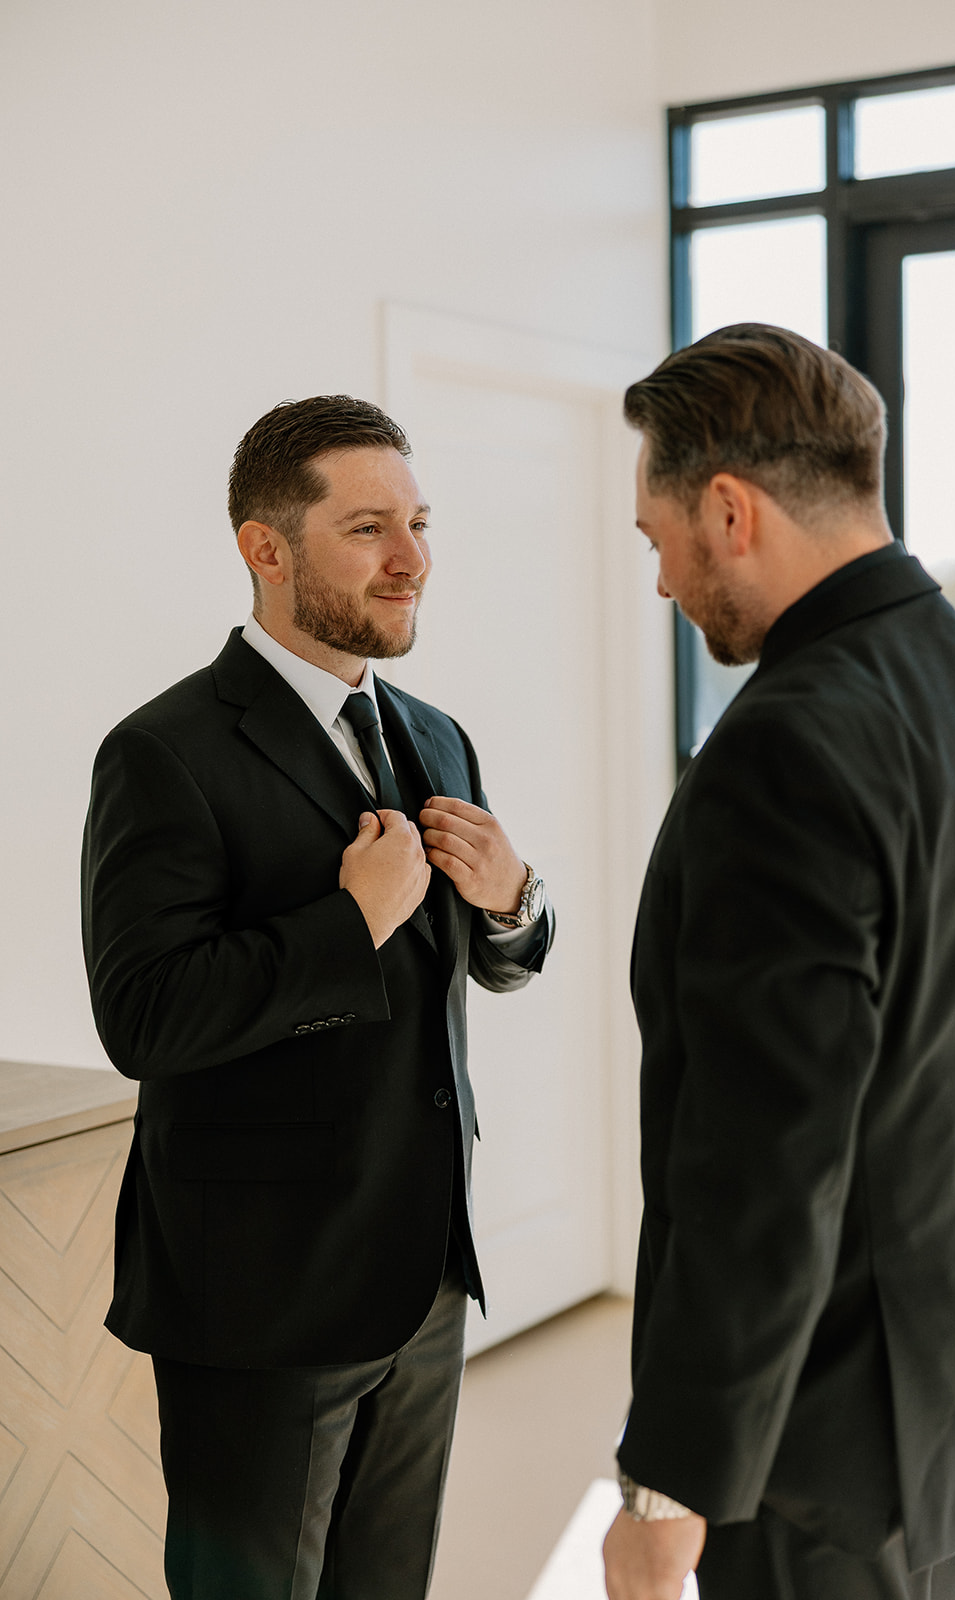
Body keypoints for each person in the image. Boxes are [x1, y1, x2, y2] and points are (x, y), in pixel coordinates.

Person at [603, 325, 955, 1600]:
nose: (661, 585)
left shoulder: (784, 745)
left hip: (823, 1435)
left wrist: (667, 1483)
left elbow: (764, 1158)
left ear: (729, 509)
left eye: (658, 540)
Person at [81, 395, 554, 1600]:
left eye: (419, 523)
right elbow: (144, 1017)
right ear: (265, 547)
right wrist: (346, 924)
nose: (412, 561)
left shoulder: (438, 738)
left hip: (425, 1283)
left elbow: (490, 957)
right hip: (261, 1297)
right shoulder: (165, 751)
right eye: (367, 529)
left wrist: (511, 901)